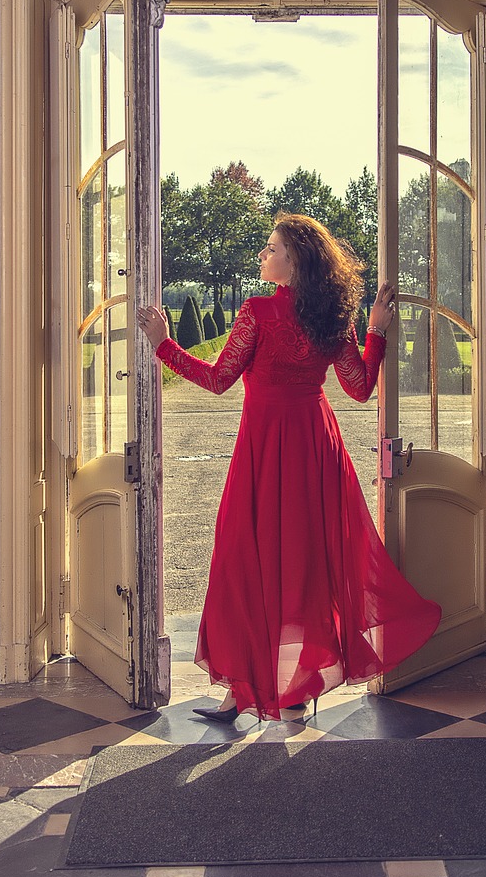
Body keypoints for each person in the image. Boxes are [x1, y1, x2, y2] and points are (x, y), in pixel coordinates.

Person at [137, 212, 441, 722]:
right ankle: (285, 689)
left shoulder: (258, 312)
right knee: (304, 566)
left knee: (244, 560)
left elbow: (217, 381)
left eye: (272, 248)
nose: (262, 255)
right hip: (314, 446)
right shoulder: (330, 318)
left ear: (294, 261)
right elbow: (360, 387)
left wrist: (162, 344)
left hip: (269, 446)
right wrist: (375, 332)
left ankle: (251, 689)